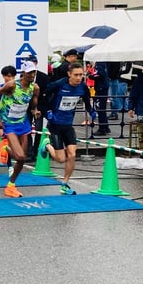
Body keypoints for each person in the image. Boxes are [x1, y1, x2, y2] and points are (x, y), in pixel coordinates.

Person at [41, 63, 95, 195]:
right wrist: (47, 112)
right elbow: (43, 97)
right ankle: (47, 145)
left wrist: (92, 112)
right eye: (76, 75)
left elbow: (87, 102)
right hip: (55, 125)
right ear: (69, 74)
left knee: (72, 155)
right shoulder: (59, 85)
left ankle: (64, 184)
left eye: (81, 75)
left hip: (68, 125)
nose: (79, 78)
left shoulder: (82, 87)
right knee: (61, 159)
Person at [0, 61, 40, 197]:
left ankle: (11, 185)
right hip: (9, 123)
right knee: (20, 156)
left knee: (23, 159)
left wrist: (35, 110)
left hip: (23, 122)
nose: (32, 75)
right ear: (23, 74)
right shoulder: (12, 85)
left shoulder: (34, 88)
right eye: (29, 72)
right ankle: (5, 148)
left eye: (34, 72)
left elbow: (34, 100)